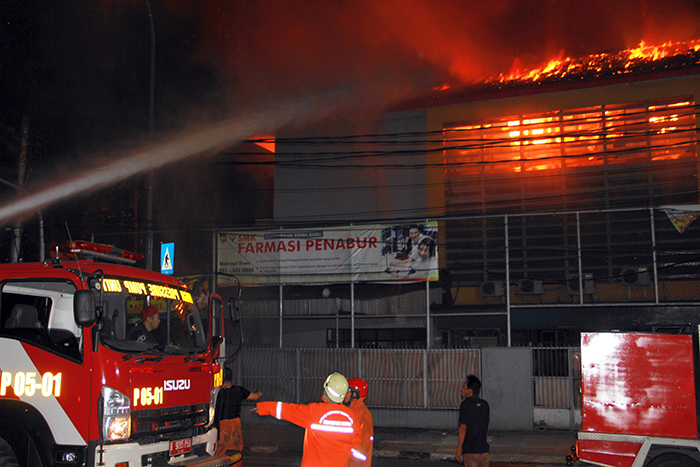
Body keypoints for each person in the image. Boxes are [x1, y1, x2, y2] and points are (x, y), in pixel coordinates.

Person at [253, 372, 364, 467]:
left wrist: (264, 407)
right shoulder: (352, 417)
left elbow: (288, 410)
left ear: (326, 390)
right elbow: (356, 444)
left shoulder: (315, 412)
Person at [214, 367, 262, 462]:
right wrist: (259, 391)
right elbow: (256, 396)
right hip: (235, 424)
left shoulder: (216, 392)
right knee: (236, 453)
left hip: (221, 426)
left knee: (219, 453)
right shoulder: (239, 390)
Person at [456, 375, 490, 467]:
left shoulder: (465, 405)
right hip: (484, 451)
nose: (461, 388)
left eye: (464, 386)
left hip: (470, 451)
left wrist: (459, 450)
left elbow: (463, 428)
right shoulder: (485, 405)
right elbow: (485, 427)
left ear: (469, 390)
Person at [346, 378, 373, 467]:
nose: (345, 394)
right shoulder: (352, 410)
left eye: (348, 391)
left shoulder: (363, 415)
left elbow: (361, 450)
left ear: (355, 394)